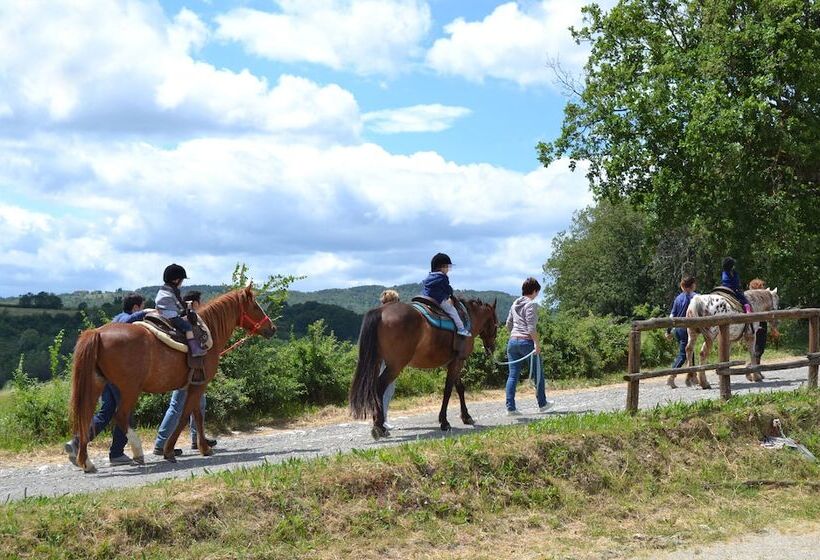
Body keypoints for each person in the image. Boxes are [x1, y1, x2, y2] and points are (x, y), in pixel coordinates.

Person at [64, 293, 149, 466]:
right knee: (124, 412)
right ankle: (117, 453)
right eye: (141, 307)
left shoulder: (115, 318)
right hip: (118, 374)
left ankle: (77, 442)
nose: (140, 310)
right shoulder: (127, 321)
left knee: (107, 411)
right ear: (135, 307)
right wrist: (147, 312)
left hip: (106, 374)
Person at [153, 290, 217, 456]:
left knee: (199, 404)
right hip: (189, 371)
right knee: (177, 406)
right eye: (199, 302)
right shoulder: (190, 319)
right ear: (194, 303)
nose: (201, 305)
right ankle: (161, 443)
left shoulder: (182, 317)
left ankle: (198, 439)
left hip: (192, 370)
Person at [504, 277, 552, 415]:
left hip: (512, 342)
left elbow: (508, 324)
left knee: (512, 376)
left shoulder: (514, 304)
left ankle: (510, 408)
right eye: (537, 292)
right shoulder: (531, 304)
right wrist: (537, 343)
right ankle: (542, 404)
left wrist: (515, 334)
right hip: (526, 342)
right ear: (535, 291)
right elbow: (531, 328)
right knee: (538, 373)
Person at [155, 263, 207, 357]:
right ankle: (195, 349)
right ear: (176, 280)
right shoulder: (174, 290)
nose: (181, 283)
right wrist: (187, 308)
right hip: (170, 315)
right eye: (182, 280)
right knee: (188, 327)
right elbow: (179, 303)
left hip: (159, 312)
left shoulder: (163, 288)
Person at [421, 253, 471, 337]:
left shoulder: (429, 277)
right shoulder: (443, 277)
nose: (448, 269)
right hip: (438, 299)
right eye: (447, 267)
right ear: (441, 267)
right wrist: (449, 295)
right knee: (453, 311)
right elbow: (447, 290)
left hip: (425, 298)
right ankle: (461, 329)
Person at [378, 289, 400, 430]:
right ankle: (382, 419)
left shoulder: (376, 314)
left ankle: (380, 417)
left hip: (376, 356)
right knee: (388, 388)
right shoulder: (392, 317)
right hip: (387, 356)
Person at [666, 276, 698, 369]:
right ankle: (671, 375)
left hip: (678, 330)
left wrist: (668, 331)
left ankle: (692, 375)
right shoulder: (696, 297)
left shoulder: (678, 298)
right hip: (687, 329)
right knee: (683, 355)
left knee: (690, 350)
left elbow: (672, 316)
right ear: (692, 285)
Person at [748, 278, 769, 359]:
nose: (763, 288)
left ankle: (754, 368)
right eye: (762, 287)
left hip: (762, 322)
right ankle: (754, 368)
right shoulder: (753, 298)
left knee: (760, 348)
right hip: (756, 322)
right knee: (758, 348)